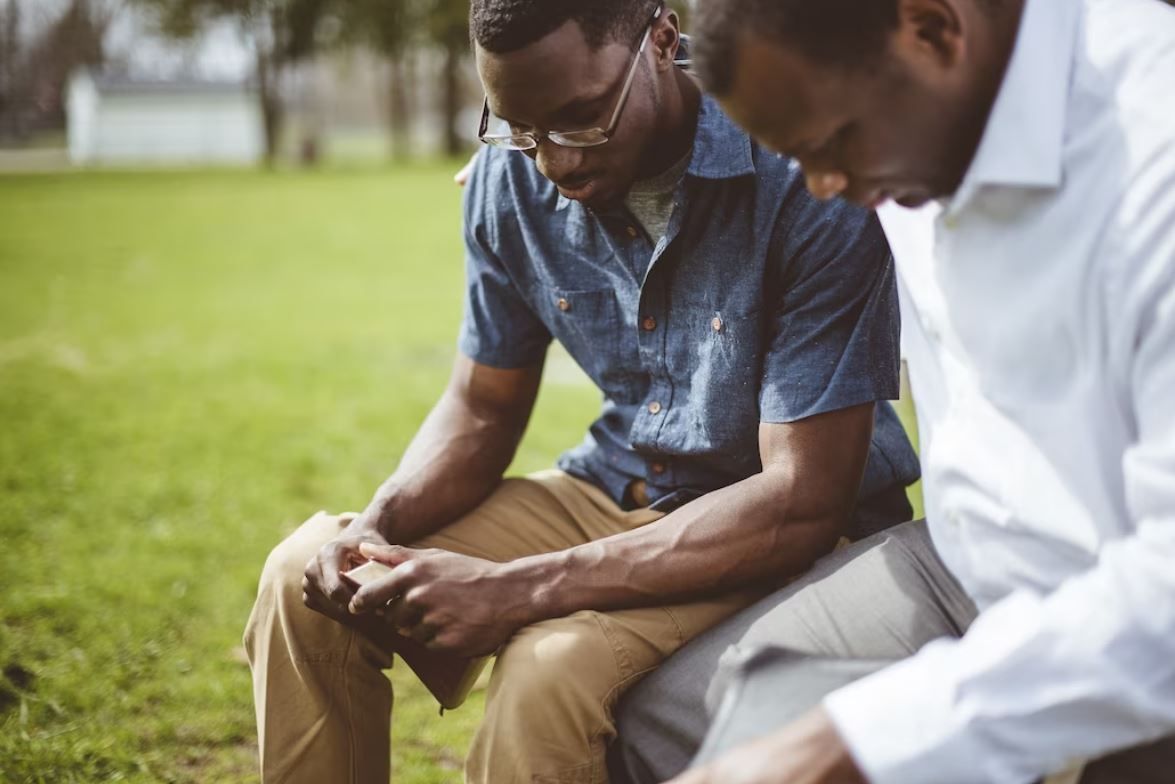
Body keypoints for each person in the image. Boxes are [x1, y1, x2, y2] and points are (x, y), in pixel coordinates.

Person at [242, 1, 922, 782]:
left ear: (662, 41)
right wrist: (375, 524)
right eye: (520, 127)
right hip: (614, 485)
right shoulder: (510, 174)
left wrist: (513, 591)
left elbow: (800, 499)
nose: (554, 164)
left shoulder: (798, 170)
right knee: (310, 579)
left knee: (547, 667)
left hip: (760, 525)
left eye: (580, 120)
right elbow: (481, 405)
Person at [607, 0, 1175, 782]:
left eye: (833, 145)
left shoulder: (1151, 156)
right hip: (963, 565)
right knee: (666, 726)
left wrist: (861, 740)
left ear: (933, 28)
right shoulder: (904, 107)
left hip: (1126, 608)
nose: (824, 186)